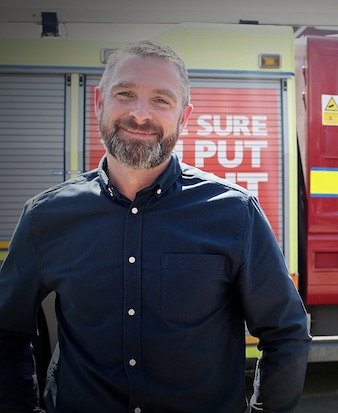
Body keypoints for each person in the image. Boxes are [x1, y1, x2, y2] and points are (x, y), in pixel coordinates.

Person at [0, 40, 311, 412]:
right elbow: (6, 331)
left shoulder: (235, 214)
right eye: (125, 93)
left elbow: (286, 333)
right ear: (99, 101)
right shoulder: (45, 217)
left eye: (161, 100)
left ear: (183, 116)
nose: (140, 114)